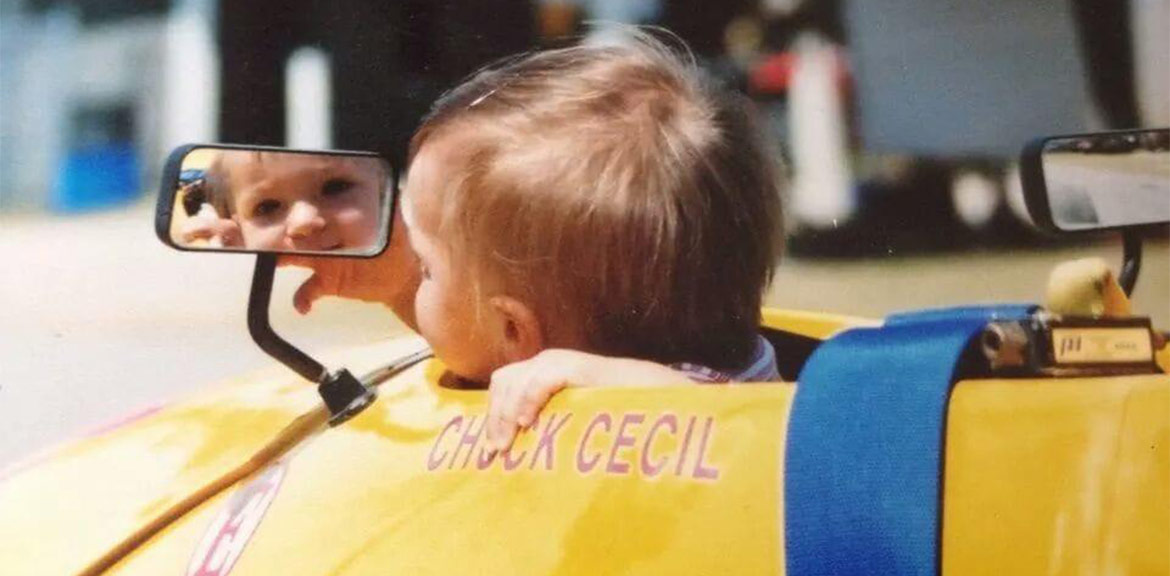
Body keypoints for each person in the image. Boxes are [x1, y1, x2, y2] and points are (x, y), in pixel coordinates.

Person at [285, 32, 785, 452]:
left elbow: (725, 420)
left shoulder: (715, 409)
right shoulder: (727, 353)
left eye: (426, 268)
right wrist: (398, 287)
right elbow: (491, 347)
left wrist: (605, 385)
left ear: (514, 329)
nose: (416, 272)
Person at [179, 151, 386, 252]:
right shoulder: (241, 250)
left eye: (334, 188)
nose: (303, 221)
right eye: (267, 207)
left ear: (385, 195)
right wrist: (225, 246)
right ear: (239, 228)